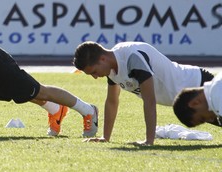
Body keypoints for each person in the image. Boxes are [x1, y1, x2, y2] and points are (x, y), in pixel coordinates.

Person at [73, 41, 214, 146]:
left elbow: (149, 100)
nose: (95, 77)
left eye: (94, 72)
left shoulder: (132, 57)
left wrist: (148, 141)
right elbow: (112, 101)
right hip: (184, 101)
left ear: (103, 59)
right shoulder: (110, 67)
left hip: (198, 85)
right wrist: (105, 137)